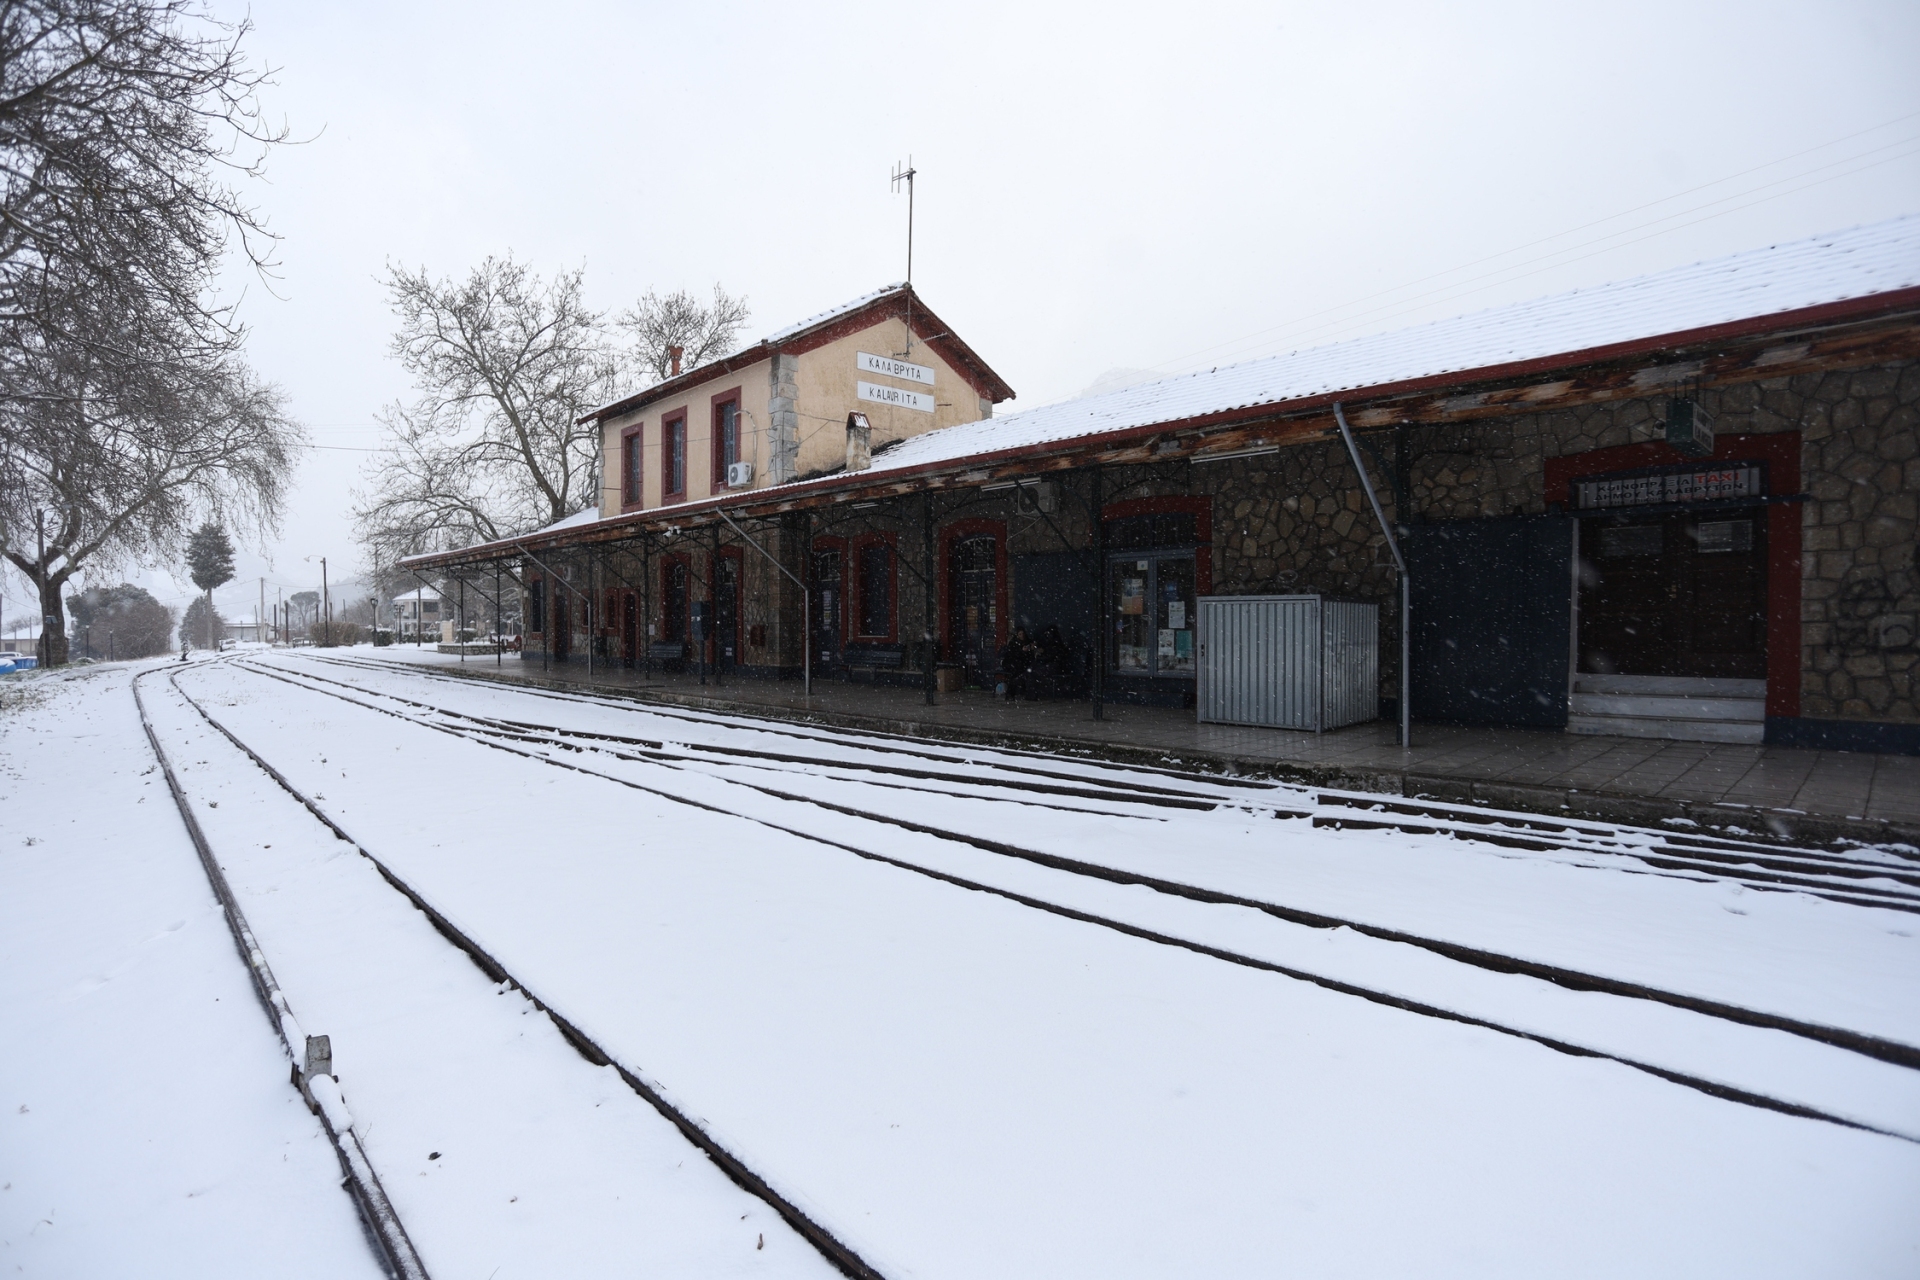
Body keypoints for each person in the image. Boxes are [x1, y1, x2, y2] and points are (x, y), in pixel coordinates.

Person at [998, 626, 1038, 701]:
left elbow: (1029, 655)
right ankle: (1011, 694)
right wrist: (1022, 651)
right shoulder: (1013, 643)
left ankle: (1022, 694)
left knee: (1025, 673)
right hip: (1013, 664)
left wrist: (1031, 649)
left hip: (1022, 664)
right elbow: (1012, 655)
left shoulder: (1027, 642)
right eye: (1020, 634)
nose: (1022, 636)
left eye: (1023, 634)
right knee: (1016, 674)